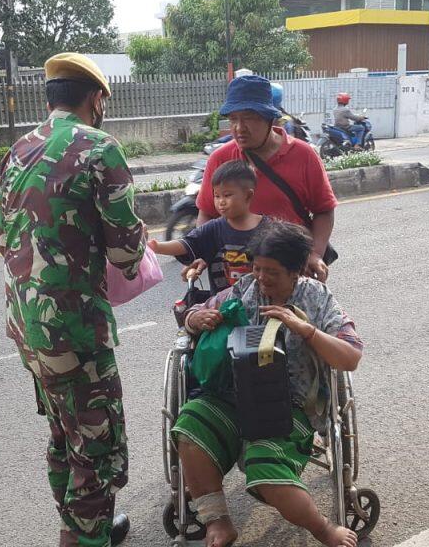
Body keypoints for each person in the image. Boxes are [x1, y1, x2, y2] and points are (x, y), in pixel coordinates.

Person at [0, 52, 145, 547]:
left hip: (28, 330)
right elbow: (126, 248)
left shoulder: (18, 149)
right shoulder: (100, 148)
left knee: (64, 435)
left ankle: (83, 528)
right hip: (75, 330)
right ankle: (83, 540)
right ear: (96, 98)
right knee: (97, 449)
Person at [173, 220, 363, 547]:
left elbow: (351, 357)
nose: (261, 278)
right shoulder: (244, 288)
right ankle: (218, 522)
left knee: (265, 469)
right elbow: (192, 315)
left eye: (272, 272)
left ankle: (324, 530)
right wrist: (195, 318)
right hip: (234, 396)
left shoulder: (316, 298)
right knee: (190, 424)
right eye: (257, 268)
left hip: (290, 407)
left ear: (295, 272)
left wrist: (305, 329)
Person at [196, 75, 337, 282]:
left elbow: (324, 210)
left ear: (270, 119)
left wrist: (315, 253)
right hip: (236, 275)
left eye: (249, 118)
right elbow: (206, 214)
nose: (239, 127)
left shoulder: (304, 155)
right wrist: (202, 252)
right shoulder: (220, 158)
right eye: (233, 119)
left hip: (290, 272)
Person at [149, 160, 266, 294]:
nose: (221, 202)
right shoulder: (214, 228)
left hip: (260, 306)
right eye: (217, 196)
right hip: (221, 309)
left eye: (227, 195)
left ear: (248, 195)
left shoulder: (269, 229)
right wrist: (156, 247)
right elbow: (187, 244)